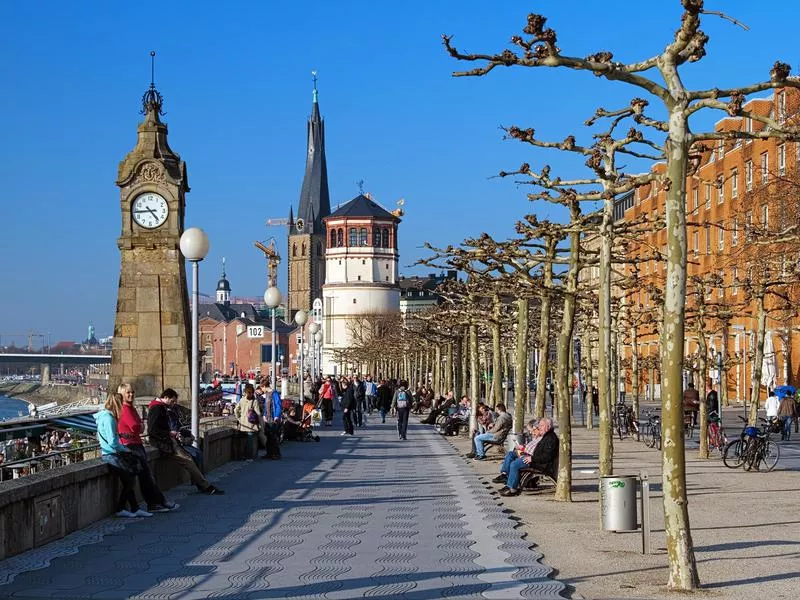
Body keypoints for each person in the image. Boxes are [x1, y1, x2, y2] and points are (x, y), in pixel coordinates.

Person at [116, 383, 178, 513]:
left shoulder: (130, 408)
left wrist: (139, 425)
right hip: (130, 445)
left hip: (136, 443)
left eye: (132, 392)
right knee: (145, 476)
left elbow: (140, 426)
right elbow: (136, 426)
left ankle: (152, 503)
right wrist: (139, 425)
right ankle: (156, 502)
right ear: (121, 394)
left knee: (145, 476)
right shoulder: (125, 409)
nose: (131, 394)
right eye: (128, 392)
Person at [148, 389, 223, 495]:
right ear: (166, 398)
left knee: (190, 458)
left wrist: (171, 433)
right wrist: (170, 434)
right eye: (172, 401)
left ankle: (204, 485)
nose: (174, 404)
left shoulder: (158, 407)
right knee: (188, 461)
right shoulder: (157, 408)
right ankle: (205, 486)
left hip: (167, 441)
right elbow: (152, 430)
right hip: (165, 443)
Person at [94, 393, 151, 518]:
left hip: (109, 453)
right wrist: (126, 450)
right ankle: (121, 508)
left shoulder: (105, 416)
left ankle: (134, 508)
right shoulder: (109, 418)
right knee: (129, 479)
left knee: (128, 480)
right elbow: (113, 441)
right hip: (111, 455)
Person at [496, 417, 558, 497]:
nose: (539, 428)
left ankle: (512, 489)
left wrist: (532, 458)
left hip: (541, 464)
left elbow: (547, 456)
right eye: (539, 426)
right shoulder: (547, 436)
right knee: (514, 459)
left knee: (515, 464)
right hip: (537, 461)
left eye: (542, 426)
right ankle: (509, 484)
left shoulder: (551, 438)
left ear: (548, 426)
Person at [235, 383, 264, 459]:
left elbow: (236, 410)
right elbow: (258, 414)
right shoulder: (254, 401)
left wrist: (239, 418)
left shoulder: (241, 400)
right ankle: (250, 457)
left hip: (243, 425)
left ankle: (242, 456)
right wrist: (261, 425)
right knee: (251, 442)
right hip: (251, 425)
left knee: (243, 442)